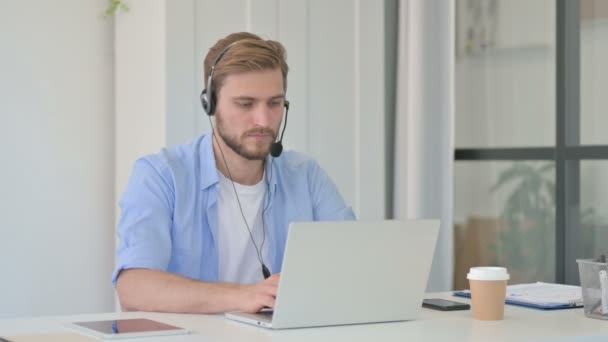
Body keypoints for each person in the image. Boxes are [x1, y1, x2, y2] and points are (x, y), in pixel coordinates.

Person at [113, 32, 355, 314]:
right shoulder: (161, 175)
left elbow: (353, 261)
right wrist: (245, 296)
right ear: (210, 103)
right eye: (245, 104)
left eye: (275, 103)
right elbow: (134, 287)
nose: (263, 121)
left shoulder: (305, 175)